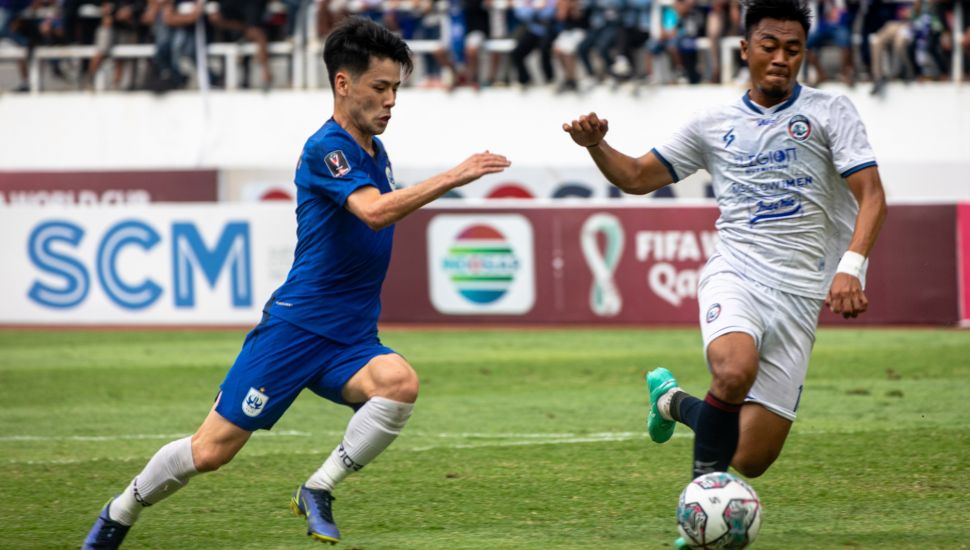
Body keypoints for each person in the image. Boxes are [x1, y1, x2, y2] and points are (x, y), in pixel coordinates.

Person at [82, 16, 511, 549]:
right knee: (211, 451)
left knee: (399, 383)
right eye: (380, 87)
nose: (391, 101)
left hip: (351, 336)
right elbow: (373, 213)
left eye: (396, 89)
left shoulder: (376, 152)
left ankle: (317, 488)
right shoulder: (325, 149)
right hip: (297, 328)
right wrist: (456, 174)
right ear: (343, 83)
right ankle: (118, 514)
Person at [564, 0, 886, 543]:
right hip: (736, 273)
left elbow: (871, 194)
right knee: (733, 372)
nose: (781, 58)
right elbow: (640, 176)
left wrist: (851, 267)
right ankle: (698, 519)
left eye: (793, 49)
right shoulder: (712, 123)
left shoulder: (833, 113)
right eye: (769, 46)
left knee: (752, 457)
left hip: (802, 292)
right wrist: (597, 145)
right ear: (744, 49)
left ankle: (671, 401)